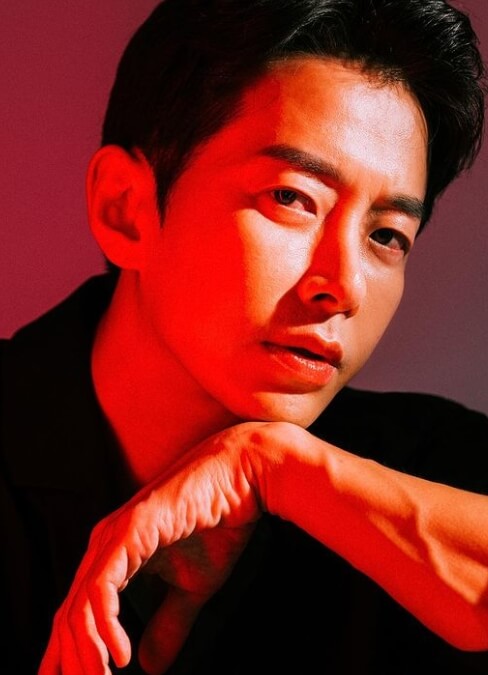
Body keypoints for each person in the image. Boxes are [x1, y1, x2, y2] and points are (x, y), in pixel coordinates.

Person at [2, 0, 488, 673]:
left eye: (386, 236)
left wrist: (273, 469)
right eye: (291, 198)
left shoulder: (431, 467)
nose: (344, 286)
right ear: (126, 210)